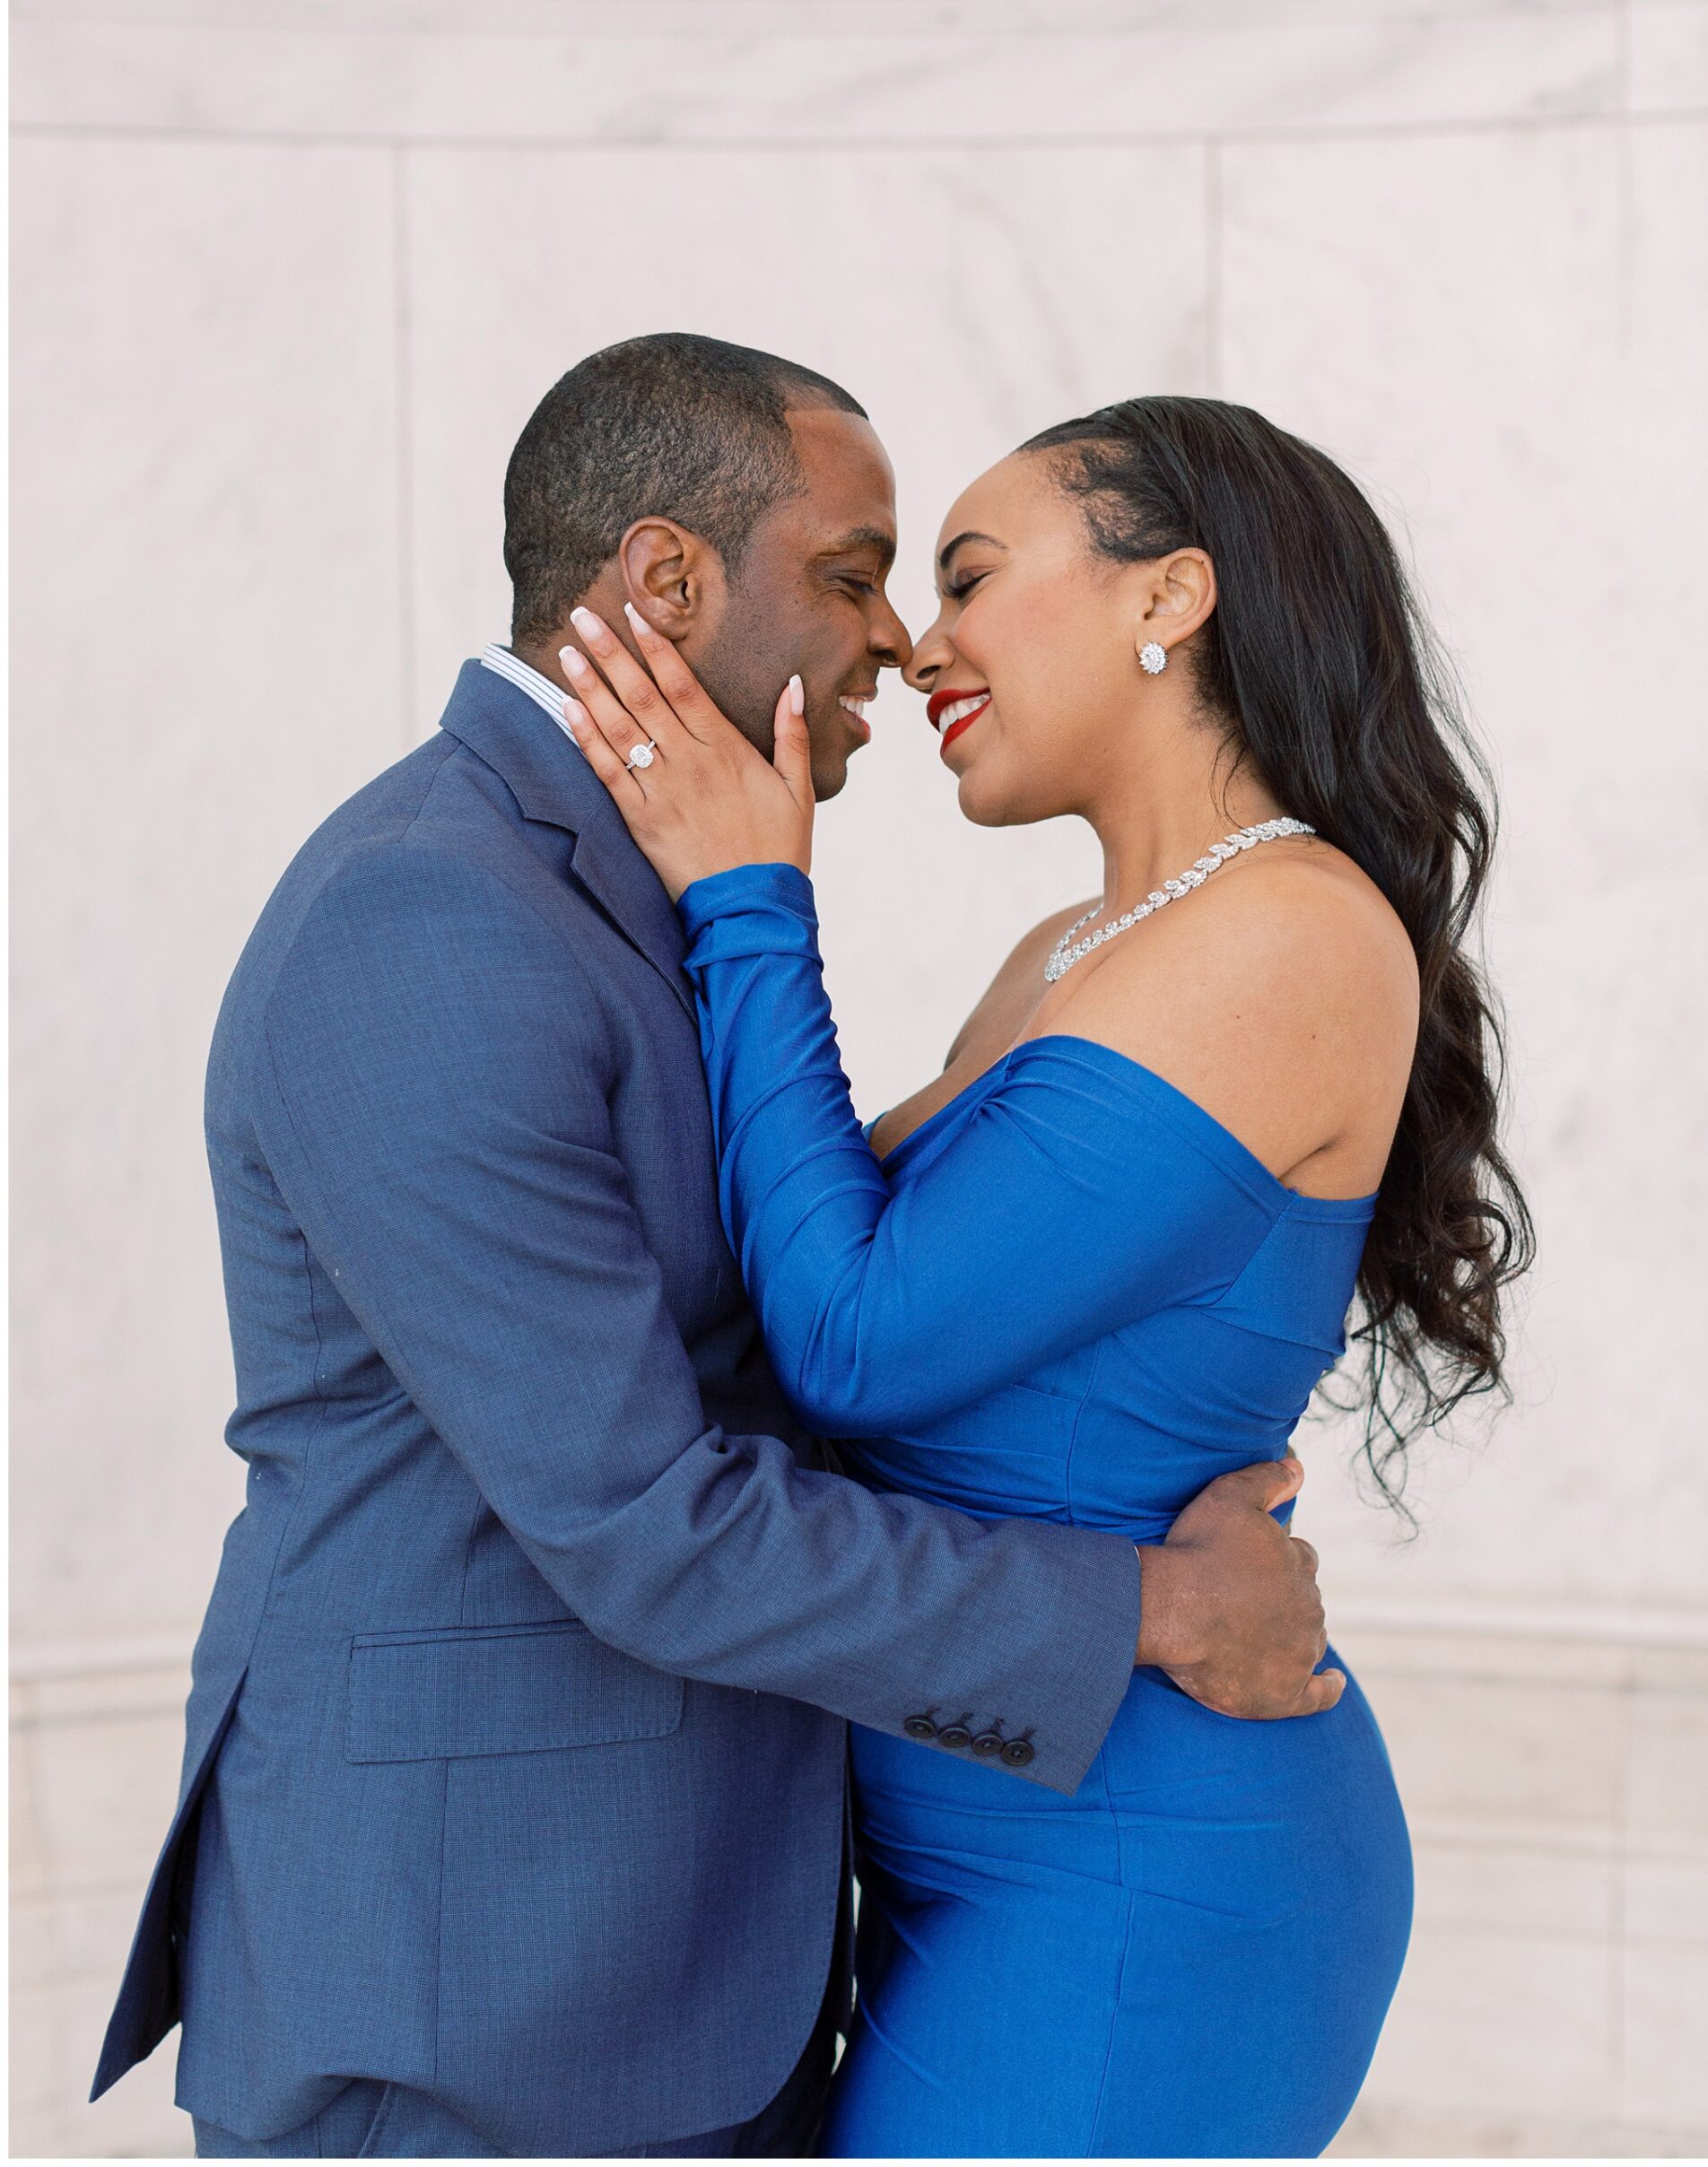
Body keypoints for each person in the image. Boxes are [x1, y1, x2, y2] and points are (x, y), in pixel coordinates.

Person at [92, 341, 1344, 2161]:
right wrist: (1145, 1605)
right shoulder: (429, 912)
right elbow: (641, 1515)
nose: (903, 641)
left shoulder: (658, 887)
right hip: (474, 2000)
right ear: (670, 581)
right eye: (855, 572)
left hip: (700, 1962)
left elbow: (819, 1326)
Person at [556, 389, 1534, 2157]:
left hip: (1137, 1872)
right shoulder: (1077, 948)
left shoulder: (1289, 931)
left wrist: (751, 899)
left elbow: (854, 1335)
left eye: (975, 575)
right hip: (967, 1830)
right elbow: (816, 1272)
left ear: (1169, 600)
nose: (921, 645)